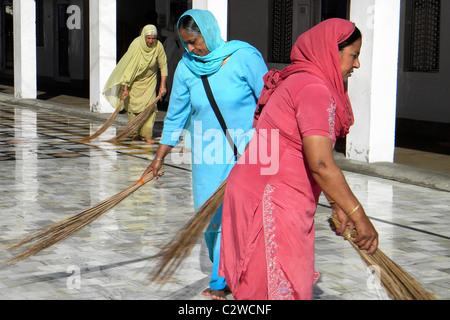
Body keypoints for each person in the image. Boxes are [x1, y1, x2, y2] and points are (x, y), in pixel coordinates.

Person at [218, 18, 379, 300]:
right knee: (275, 285)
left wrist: (338, 203)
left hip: (264, 190)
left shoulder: (300, 80)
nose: (357, 65)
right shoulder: (313, 89)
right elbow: (320, 164)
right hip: (270, 198)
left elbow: (308, 156)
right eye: (353, 55)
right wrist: (358, 214)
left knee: (269, 283)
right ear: (331, 51)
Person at [143, 9, 268, 300]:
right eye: (184, 43)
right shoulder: (187, 67)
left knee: (240, 218)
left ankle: (221, 280)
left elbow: (270, 101)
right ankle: (226, 269)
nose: (190, 49)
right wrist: (159, 157)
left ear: (209, 33)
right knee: (210, 217)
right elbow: (175, 116)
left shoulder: (244, 57)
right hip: (208, 156)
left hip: (248, 152)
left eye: (193, 41)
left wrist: (262, 143)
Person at [103, 25, 168, 144]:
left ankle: (147, 135)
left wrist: (162, 86)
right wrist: (125, 88)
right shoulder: (136, 44)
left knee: (150, 108)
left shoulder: (158, 46)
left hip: (150, 81)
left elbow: (163, 65)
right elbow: (129, 66)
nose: (151, 41)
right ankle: (136, 133)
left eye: (153, 38)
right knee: (134, 108)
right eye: (148, 38)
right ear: (143, 37)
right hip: (134, 81)